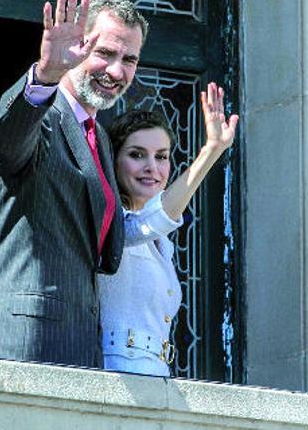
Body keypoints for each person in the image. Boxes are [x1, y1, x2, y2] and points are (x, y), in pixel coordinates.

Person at [0, 0, 238, 367]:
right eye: (104, 53)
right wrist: (45, 75)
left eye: (129, 59)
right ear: (76, 44)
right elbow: (5, 140)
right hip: (20, 347)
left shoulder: (98, 137)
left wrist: (210, 152)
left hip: (83, 352)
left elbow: (124, 234)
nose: (117, 71)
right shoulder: (45, 112)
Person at [98, 89, 237, 376]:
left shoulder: (162, 243)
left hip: (157, 376)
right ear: (113, 160)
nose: (152, 168)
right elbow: (146, 223)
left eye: (161, 157)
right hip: (114, 373)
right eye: (137, 155)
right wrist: (211, 151)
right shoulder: (107, 220)